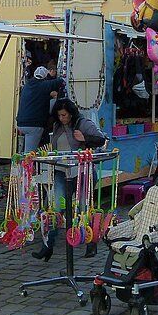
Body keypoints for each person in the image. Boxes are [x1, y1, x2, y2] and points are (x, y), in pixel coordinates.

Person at [33, 99, 107, 261]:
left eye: (64, 115)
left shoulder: (83, 123)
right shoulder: (56, 126)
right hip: (61, 172)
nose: (62, 118)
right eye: (59, 115)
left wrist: (85, 138)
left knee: (83, 208)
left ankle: (91, 243)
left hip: (82, 172)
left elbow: (101, 139)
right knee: (56, 208)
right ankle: (47, 245)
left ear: (71, 113)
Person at [16, 67, 64, 153]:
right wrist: (52, 76)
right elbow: (60, 81)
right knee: (30, 154)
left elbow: (37, 97)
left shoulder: (28, 85)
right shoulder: (44, 85)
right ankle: (26, 166)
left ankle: (22, 164)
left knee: (25, 151)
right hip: (34, 125)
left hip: (21, 123)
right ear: (45, 77)